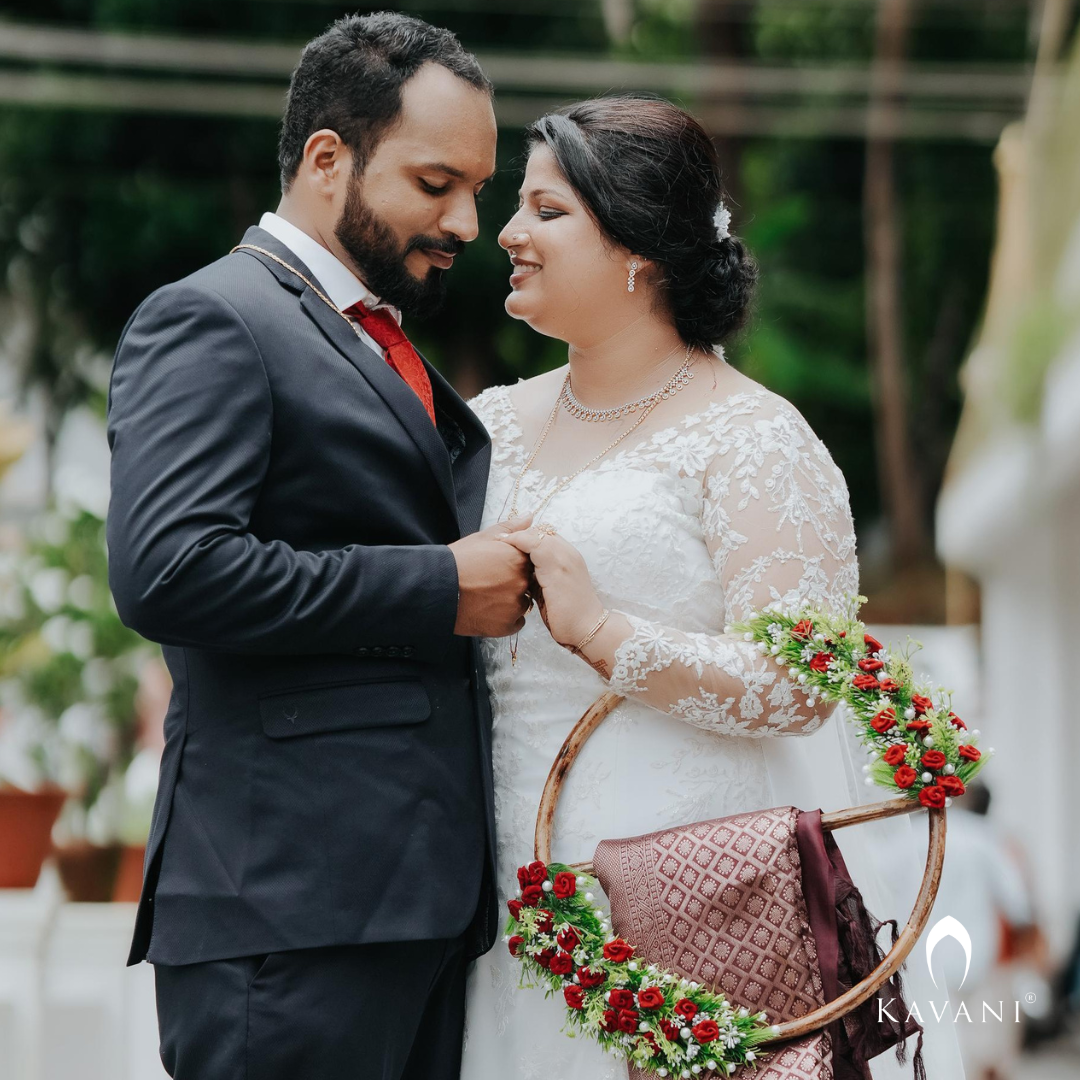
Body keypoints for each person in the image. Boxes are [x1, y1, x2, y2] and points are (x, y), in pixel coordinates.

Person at [461, 96, 965, 1080]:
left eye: (547, 211)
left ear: (638, 249)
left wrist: (607, 632)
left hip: (692, 894)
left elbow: (801, 683)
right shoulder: (484, 427)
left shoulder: (753, 438)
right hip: (500, 885)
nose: (510, 234)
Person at [105, 13, 532, 1080]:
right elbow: (171, 569)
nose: (468, 222)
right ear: (327, 158)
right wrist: (439, 586)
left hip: (413, 911)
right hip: (290, 911)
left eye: (477, 190)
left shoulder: (373, 336)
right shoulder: (213, 317)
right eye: (437, 183)